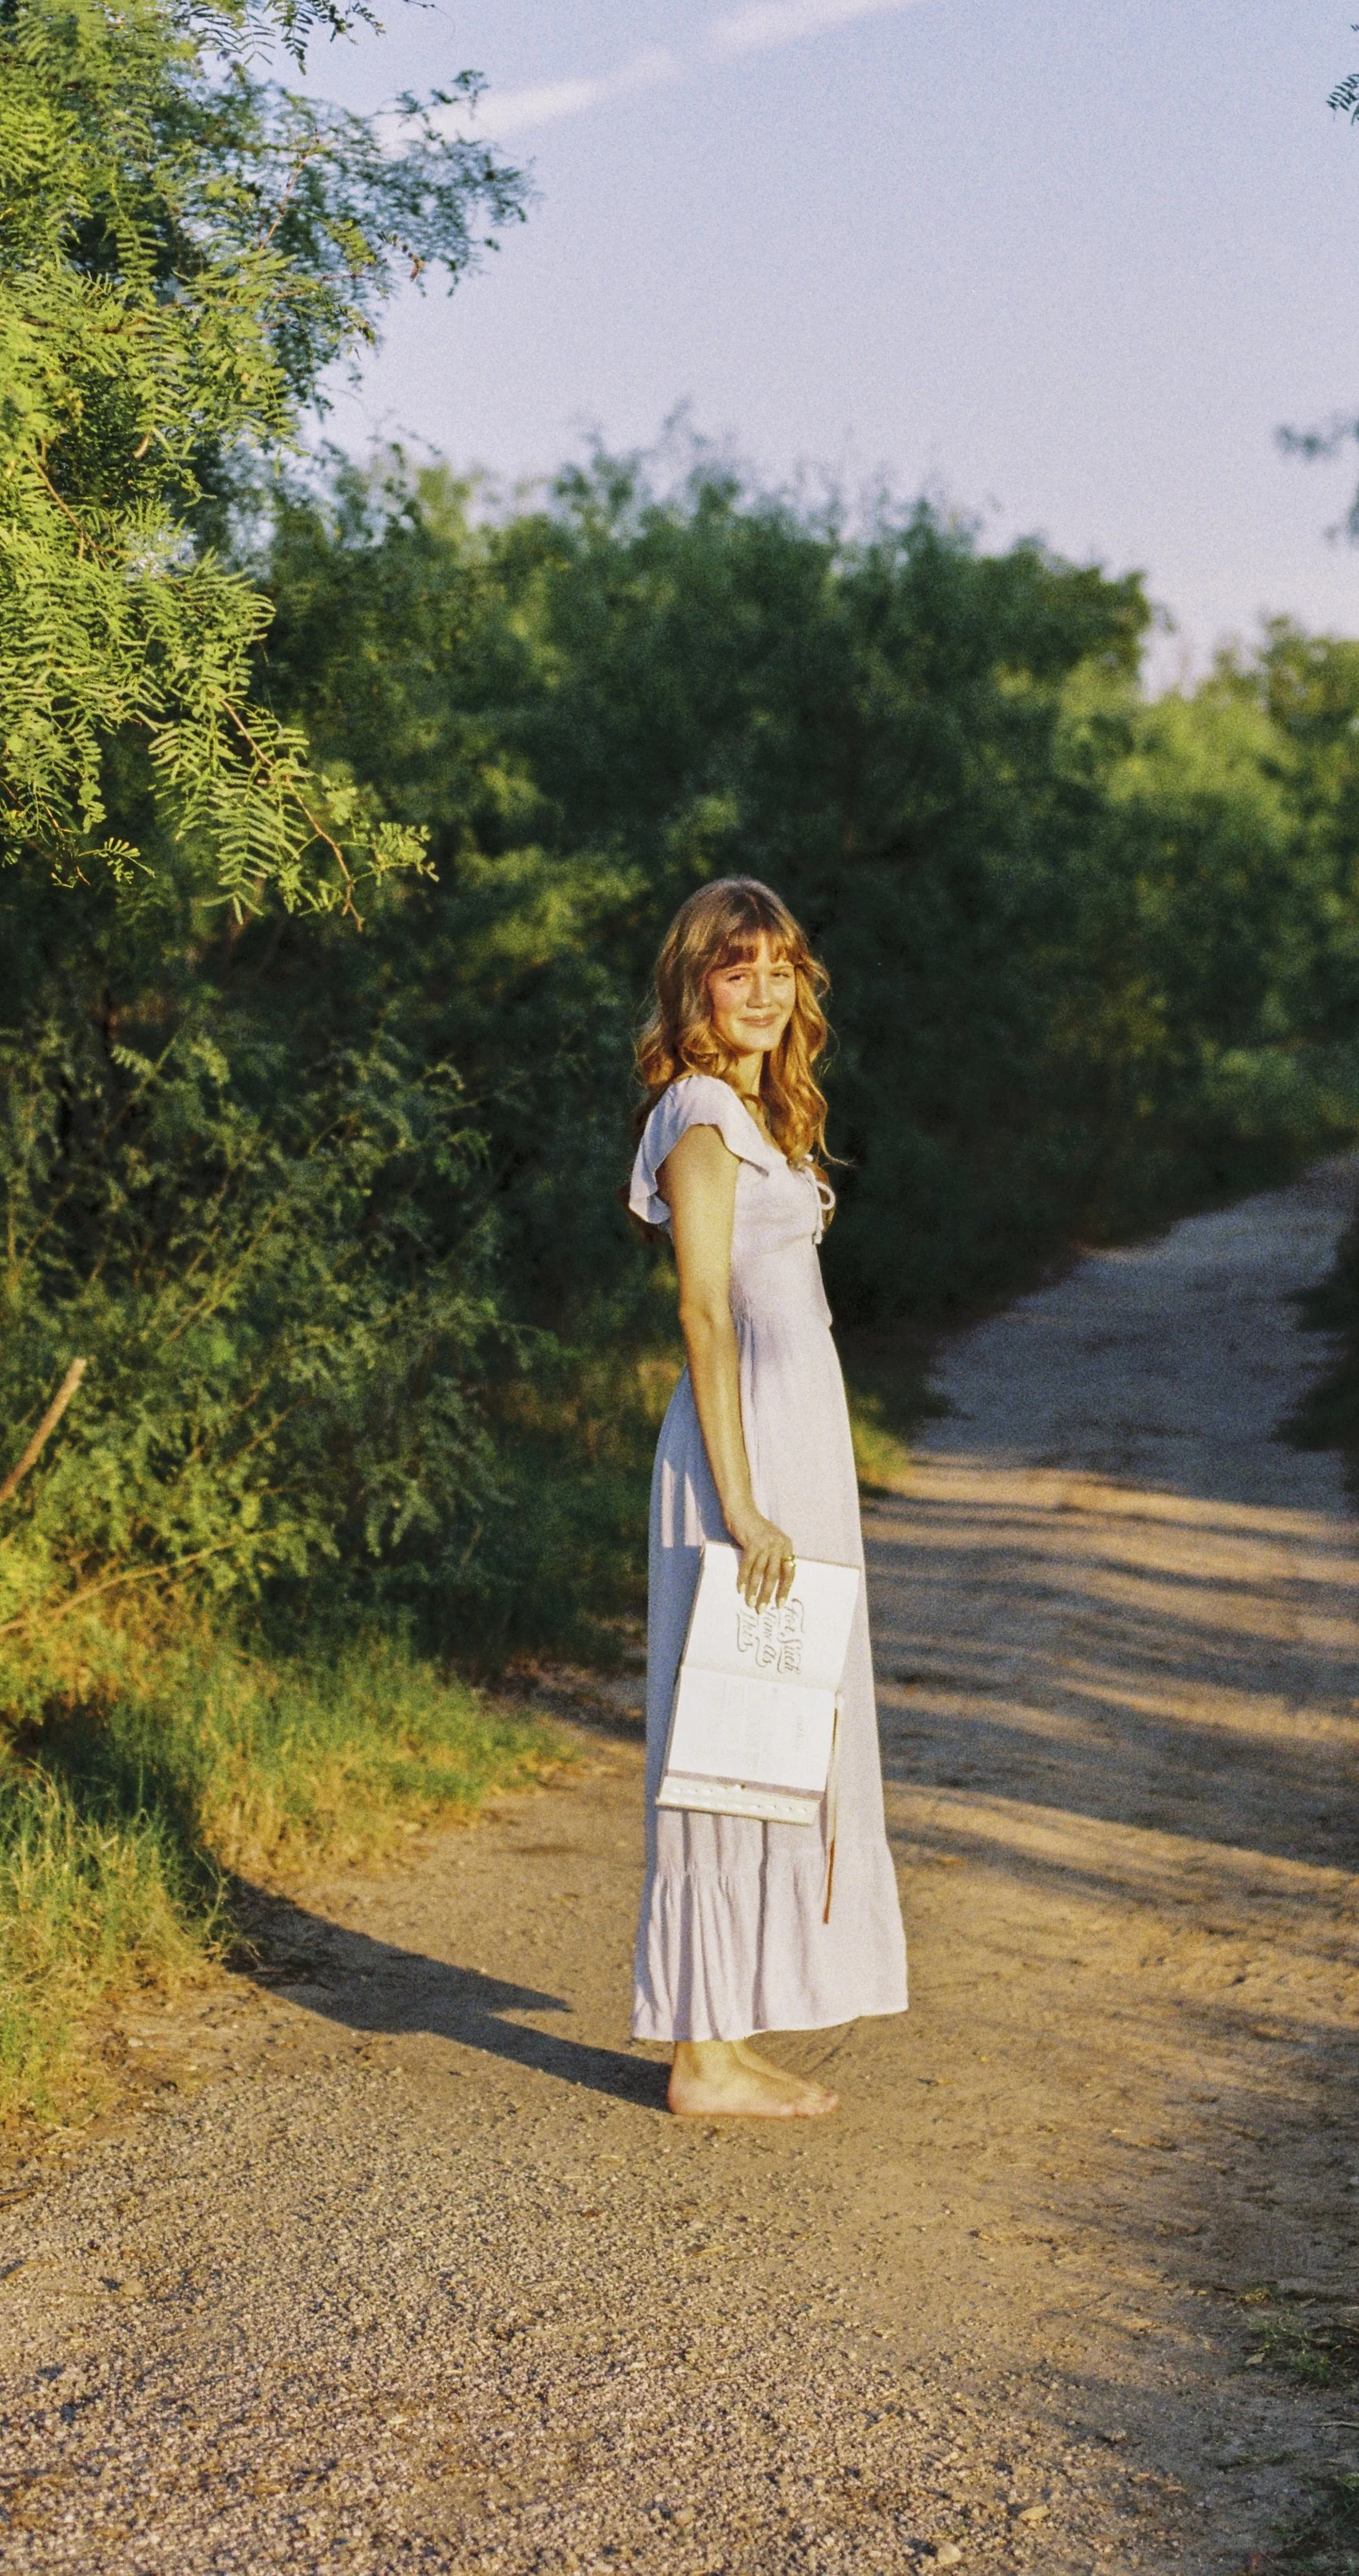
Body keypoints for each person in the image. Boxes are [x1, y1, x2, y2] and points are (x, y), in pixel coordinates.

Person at [626, 875, 908, 2118]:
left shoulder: (757, 1110)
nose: (763, 990)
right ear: (695, 983)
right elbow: (702, 1309)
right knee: (729, 1737)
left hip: (797, 1446)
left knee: (779, 1737)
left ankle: (724, 2038)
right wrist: (741, 1504)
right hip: (742, 1461)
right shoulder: (695, 1112)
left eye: (780, 968)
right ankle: (700, 2056)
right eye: (737, 969)